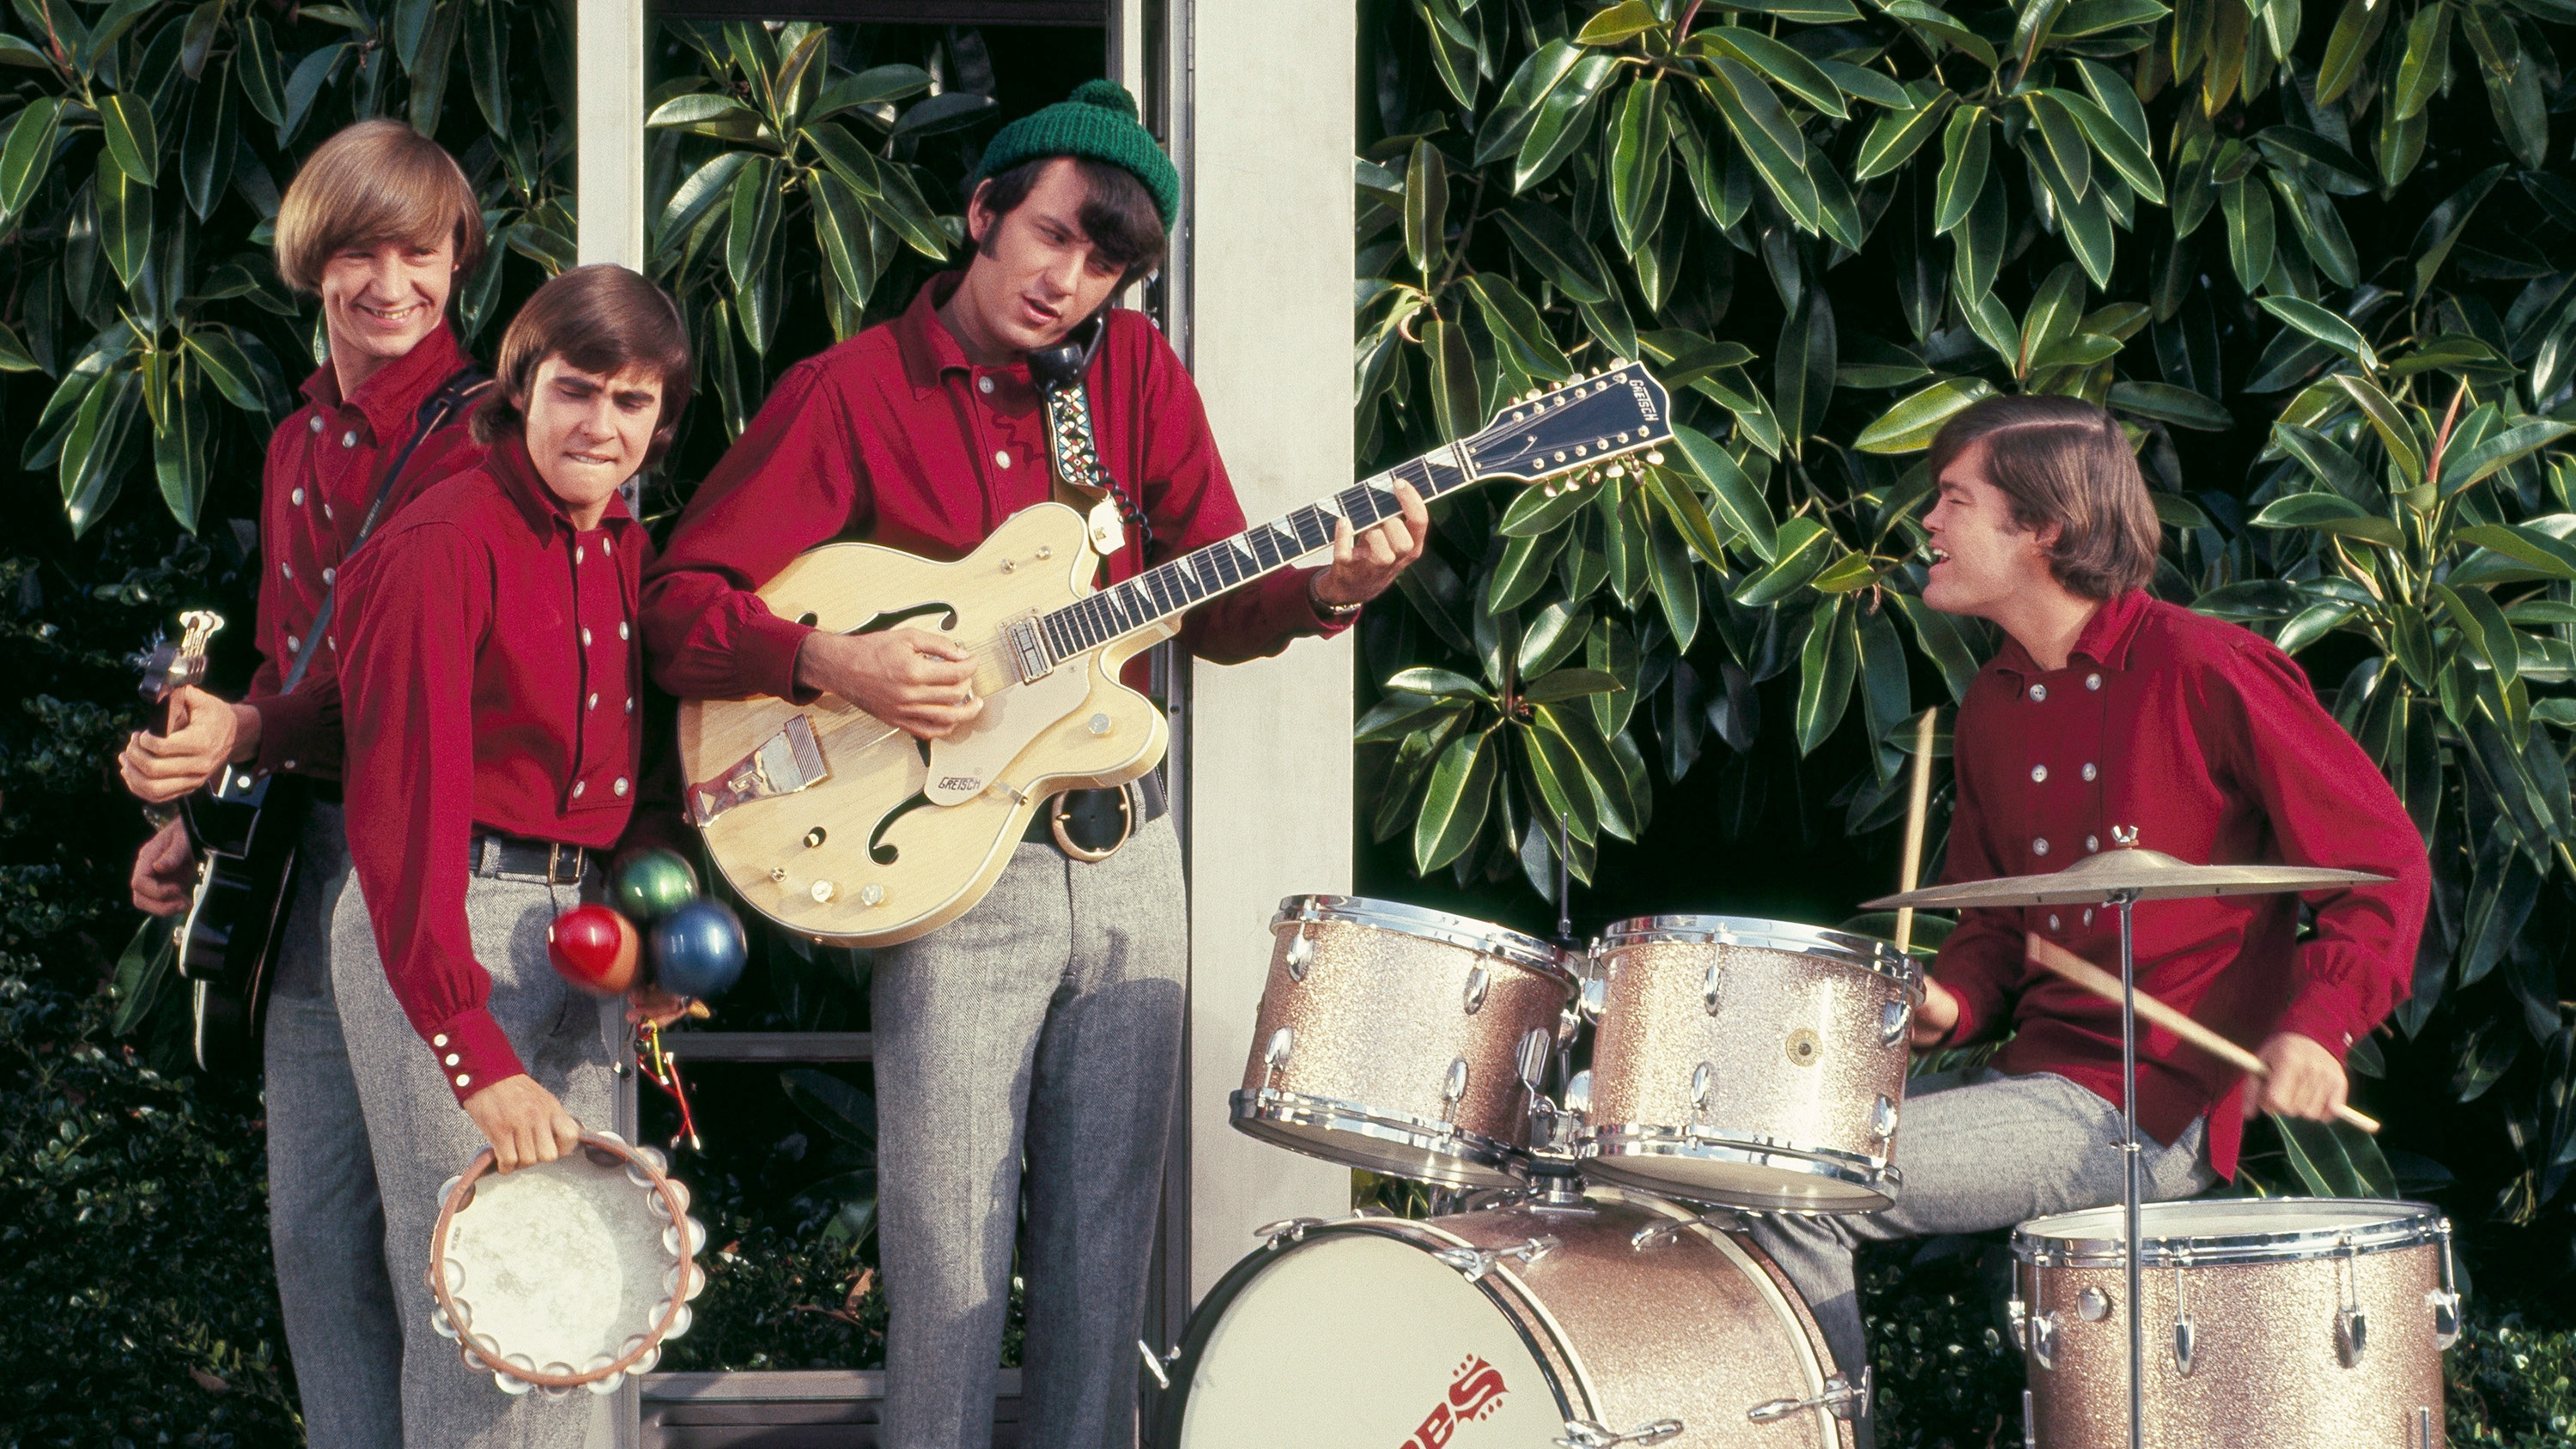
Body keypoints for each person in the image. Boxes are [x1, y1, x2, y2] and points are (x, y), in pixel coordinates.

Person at [639, 80, 1429, 1449]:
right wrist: (833, 662)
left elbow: (1213, 600)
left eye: (1105, 264)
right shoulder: (850, 394)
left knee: (1103, 1260)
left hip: (1127, 853)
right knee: (946, 1258)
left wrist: (1328, 591)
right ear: (983, 214)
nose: (1069, 282)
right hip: (952, 866)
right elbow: (675, 609)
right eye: (1052, 236)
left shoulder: (1134, 378)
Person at [1748, 394, 2432, 1445]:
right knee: (1739, 1148)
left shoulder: (2207, 666)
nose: (1928, 522)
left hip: (2146, 1106)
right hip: (2033, 1080)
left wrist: (2316, 1025)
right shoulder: (1993, 701)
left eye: (1954, 499)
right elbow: (1991, 926)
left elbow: (2383, 866)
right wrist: (1947, 1001)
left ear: (2043, 526)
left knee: (1802, 1175)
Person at [118, 118, 489, 1449]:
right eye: (358, 255)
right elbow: (290, 663)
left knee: (446, 1237)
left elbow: (399, 696)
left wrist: (247, 728)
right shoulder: (295, 442)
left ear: (459, 263)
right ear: (308, 262)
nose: (391, 285)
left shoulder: (486, 441)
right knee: (317, 1239)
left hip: (440, 858)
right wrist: (201, 814)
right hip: (309, 853)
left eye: (420, 254)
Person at [331, 264, 693, 1448]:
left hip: (578, 926)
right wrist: (470, 1050)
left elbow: (637, 780)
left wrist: (647, 930)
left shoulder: (625, 545)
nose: (601, 426)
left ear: (661, 419)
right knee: (489, 1308)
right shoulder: (441, 544)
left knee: (590, 1302)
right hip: (447, 924)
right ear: (521, 387)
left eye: (632, 402)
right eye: (576, 390)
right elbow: (402, 828)